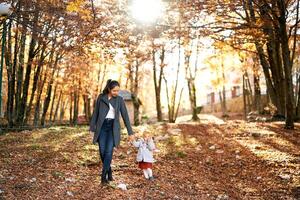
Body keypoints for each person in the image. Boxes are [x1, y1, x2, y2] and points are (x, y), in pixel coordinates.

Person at [89, 79, 135, 185]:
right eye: (114, 90)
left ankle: (103, 176)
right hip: (101, 127)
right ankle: (109, 171)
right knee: (102, 152)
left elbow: (125, 117)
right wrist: (92, 129)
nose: (116, 93)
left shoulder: (119, 100)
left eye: (118, 91)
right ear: (109, 89)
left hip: (112, 128)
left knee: (109, 151)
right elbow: (95, 113)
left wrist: (130, 132)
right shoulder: (101, 98)